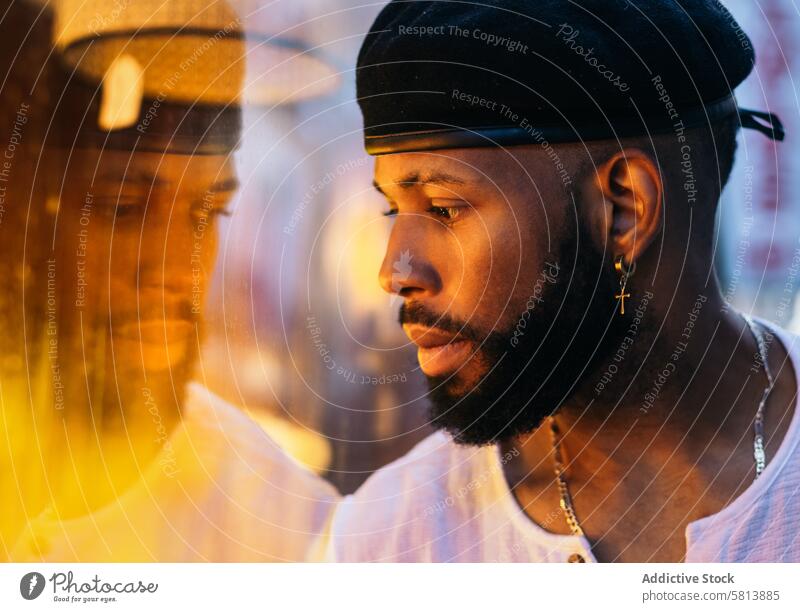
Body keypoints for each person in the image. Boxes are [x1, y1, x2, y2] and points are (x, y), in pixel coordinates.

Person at [326, 0, 799, 562]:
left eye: (444, 208)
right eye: (392, 211)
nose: (394, 272)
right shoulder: (391, 540)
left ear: (623, 208)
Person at [1, 0, 338, 562]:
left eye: (208, 215)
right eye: (122, 208)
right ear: (19, 215)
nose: (179, 269)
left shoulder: (287, 535)